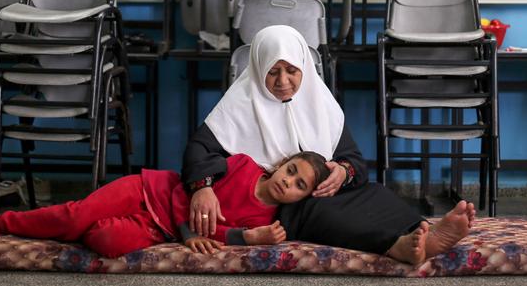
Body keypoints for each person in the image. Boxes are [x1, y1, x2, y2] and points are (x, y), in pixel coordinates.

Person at [182, 25, 475, 265]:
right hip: (275, 204)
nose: (283, 81)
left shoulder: (319, 104)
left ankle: (425, 232)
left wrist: (342, 173)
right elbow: (199, 148)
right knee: (319, 212)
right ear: (259, 70)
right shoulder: (240, 104)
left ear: (304, 69)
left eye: (292, 71)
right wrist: (203, 187)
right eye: (273, 72)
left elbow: (355, 162)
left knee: (370, 191)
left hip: (315, 187)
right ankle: (397, 246)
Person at [0, 151, 330, 258]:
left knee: (107, 244)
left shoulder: (264, 217)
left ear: (302, 197)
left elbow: (214, 232)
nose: (288, 182)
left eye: (299, 185)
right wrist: (188, 233)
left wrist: (247, 240)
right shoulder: (243, 165)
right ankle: (1, 223)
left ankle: (73, 226)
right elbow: (190, 189)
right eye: (291, 170)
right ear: (282, 162)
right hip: (148, 191)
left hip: (158, 230)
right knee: (77, 215)